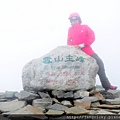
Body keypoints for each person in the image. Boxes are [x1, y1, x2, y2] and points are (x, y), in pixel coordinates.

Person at [67, 12, 117, 91]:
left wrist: (83, 44)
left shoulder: (85, 27)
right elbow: (69, 41)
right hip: (77, 53)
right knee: (77, 68)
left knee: (99, 63)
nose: (74, 21)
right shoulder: (70, 30)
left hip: (87, 50)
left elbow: (92, 36)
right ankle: (75, 87)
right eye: (72, 20)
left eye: (75, 19)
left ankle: (107, 85)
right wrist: (74, 46)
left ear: (79, 19)